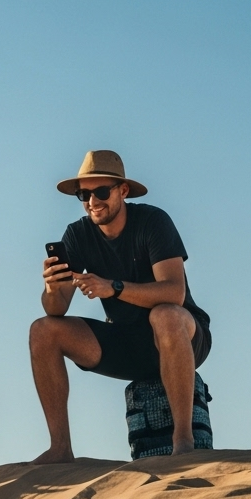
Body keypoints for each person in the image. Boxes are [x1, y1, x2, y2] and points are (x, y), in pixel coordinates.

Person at [30, 150, 212, 462]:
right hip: (127, 345)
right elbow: (56, 309)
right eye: (83, 194)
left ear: (123, 191)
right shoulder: (77, 234)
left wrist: (112, 288)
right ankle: (60, 448)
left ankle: (183, 442)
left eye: (101, 192)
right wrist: (50, 287)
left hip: (183, 337)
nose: (92, 201)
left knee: (164, 315)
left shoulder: (153, 221)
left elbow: (174, 293)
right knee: (43, 330)